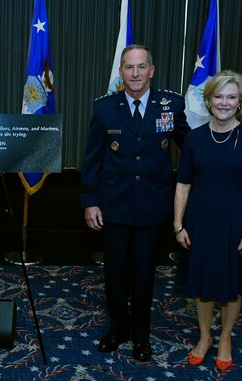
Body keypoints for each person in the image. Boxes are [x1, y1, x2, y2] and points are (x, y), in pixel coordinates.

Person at [81, 44, 190, 362]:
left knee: (144, 273)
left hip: (153, 205)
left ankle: (141, 335)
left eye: (142, 67)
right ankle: (117, 329)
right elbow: (92, 159)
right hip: (114, 204)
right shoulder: (104, 109)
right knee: (115, 272)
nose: (136, 73)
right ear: (121, 72)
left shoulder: (170, 105)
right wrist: (90, 201)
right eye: (129, 67)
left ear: (152, 70)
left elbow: (190, 147)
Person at [173, 70, 242, 371]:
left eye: (231, 97)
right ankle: (204, 337)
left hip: (236, 221)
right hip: (200, 219)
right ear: (209, 100)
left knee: (232, 284)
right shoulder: (195, 139)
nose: (224, 102)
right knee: (201, 281)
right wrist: (178, 225)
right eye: (218, 96)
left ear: (240, 102)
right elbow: (183, 184)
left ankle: (225, 338)